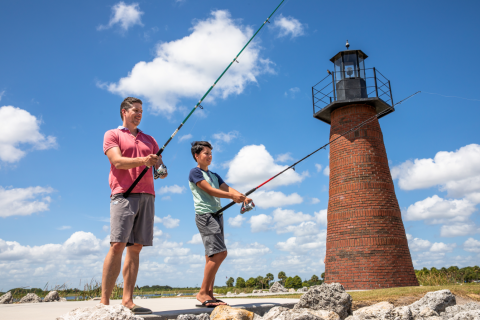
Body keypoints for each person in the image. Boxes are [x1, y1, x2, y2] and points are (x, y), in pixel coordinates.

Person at [101, 97, 167, 315]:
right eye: (135, 110)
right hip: (123, 194)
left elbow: (159, 167)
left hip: (148, 195)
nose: (139, 114)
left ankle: (128, 300)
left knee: (136, 247)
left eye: (141, 111)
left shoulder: (150, 139)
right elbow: (117, 161)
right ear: (124, 112)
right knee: (117, 244)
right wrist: (143, 161)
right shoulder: (113, 134)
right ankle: (104, 302)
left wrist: (160, 168)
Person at [188, 141, 252, 308]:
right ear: (196, 156)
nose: (209, 156)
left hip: (217, 216)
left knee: (211, 256)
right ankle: (202, 293)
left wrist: (243, 197)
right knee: (220, 253)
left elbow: (227, 188)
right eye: (205, 153)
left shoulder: (215, 175)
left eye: (210, 153)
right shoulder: (195, 173)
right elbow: (209, 190)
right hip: (205, 215)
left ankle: (209, 294)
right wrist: (232, 197)